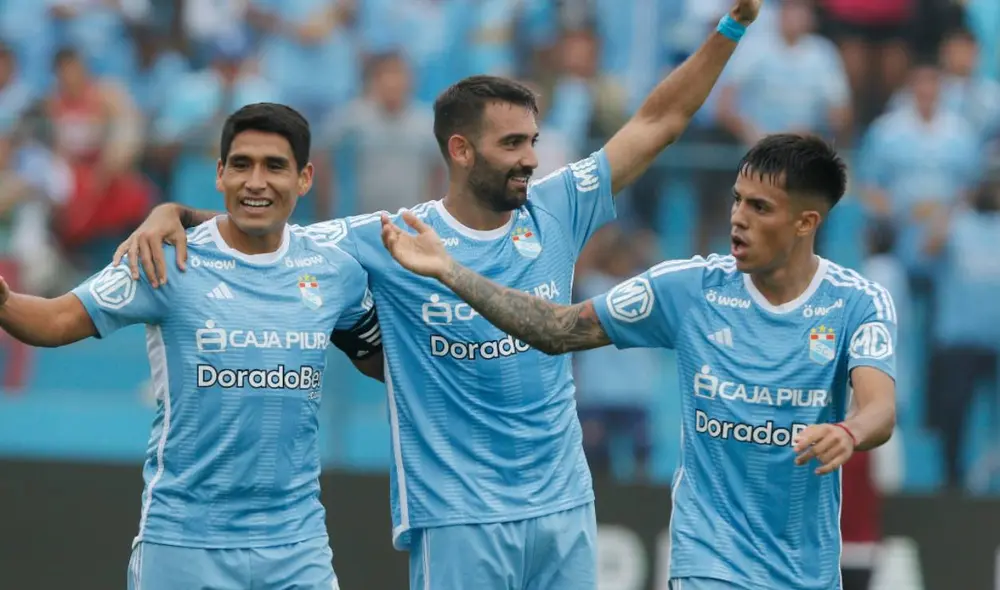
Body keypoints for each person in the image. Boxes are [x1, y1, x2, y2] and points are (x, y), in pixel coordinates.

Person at [112, 2, 763, 587]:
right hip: (457, 516)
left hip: (564, 505)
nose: (531, 159)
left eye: (533, 141)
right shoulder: (390, 238)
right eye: (512, 144)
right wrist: (179, 213)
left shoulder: (558, 207)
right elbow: (270, 229)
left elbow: (661, 119)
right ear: (461, 150)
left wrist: (731, 27)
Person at [381, 134, 898, 590]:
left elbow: (878, 409)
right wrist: (452, 271)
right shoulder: (688, 289)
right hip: (709, 558)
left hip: (808, 568)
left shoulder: (857, 302)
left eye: (760, 208)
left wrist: (849, 432)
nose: (738, 218)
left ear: (807, 221)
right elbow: (557, 329)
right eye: (737, 200)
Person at [0, 102, 384, 589]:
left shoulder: (335, 271)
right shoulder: (167, 259)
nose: (256, 181)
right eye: (242, 165)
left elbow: (382, 362)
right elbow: (54, 321)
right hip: (182, 544)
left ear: (305, 178)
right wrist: (5, 300)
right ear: (220, 174)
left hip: (296, 546)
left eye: (275, 166)